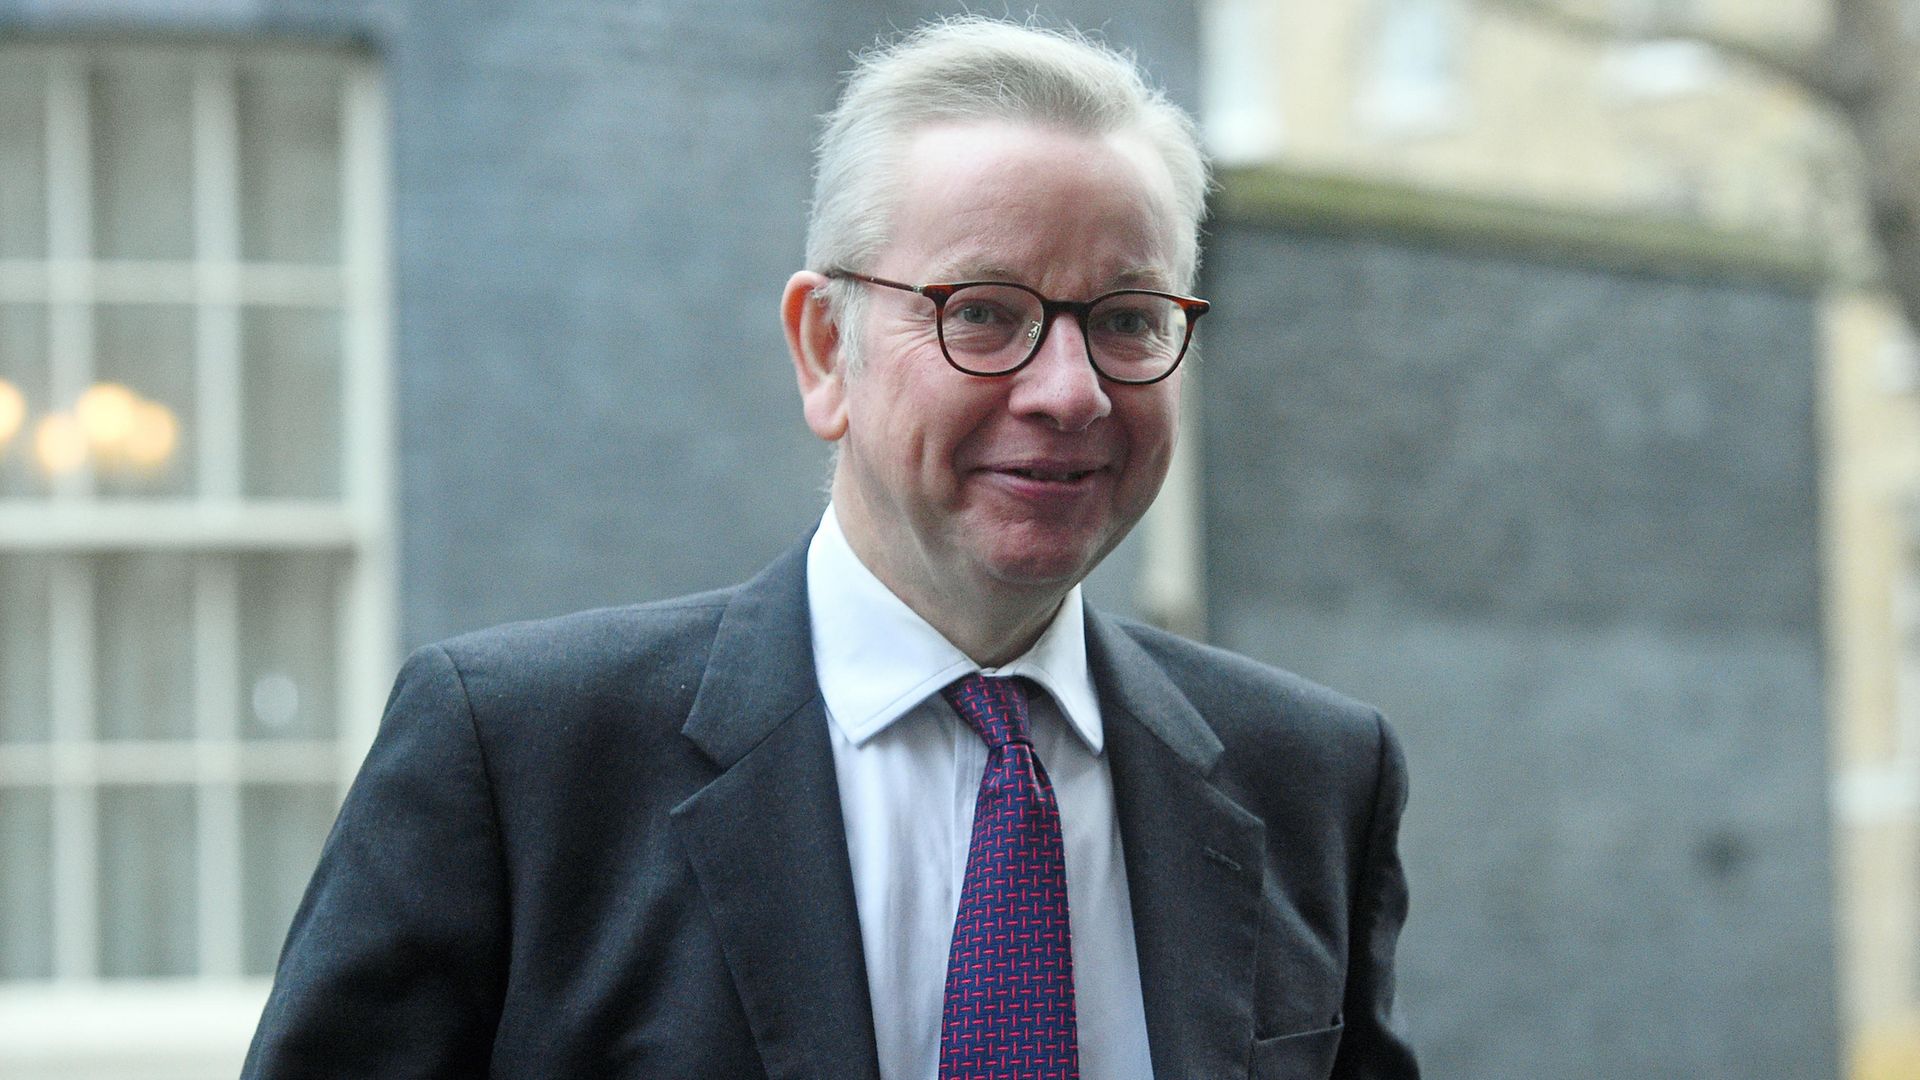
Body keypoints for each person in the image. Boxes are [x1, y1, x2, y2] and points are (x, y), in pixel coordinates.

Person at [242, 16, 1419, 1080]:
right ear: (823, 350)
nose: (1071, 391)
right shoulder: (523, 763)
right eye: (985, 313)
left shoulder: (1313, 777)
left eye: (1127, 321)